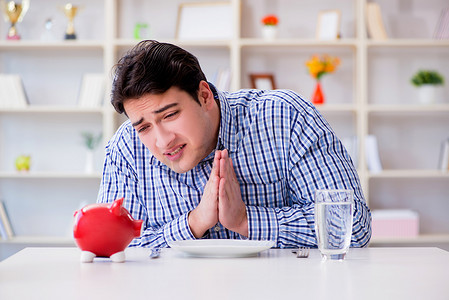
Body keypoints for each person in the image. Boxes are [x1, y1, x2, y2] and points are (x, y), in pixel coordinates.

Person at [97, 40, 371, 249]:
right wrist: (193, 224)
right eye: (144, 127)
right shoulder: (126, 148)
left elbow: (352, 226)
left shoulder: (286, 118)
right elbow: (108, 247)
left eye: (170, 115)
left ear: (204, 96)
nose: (162, 140)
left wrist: (246, 221)